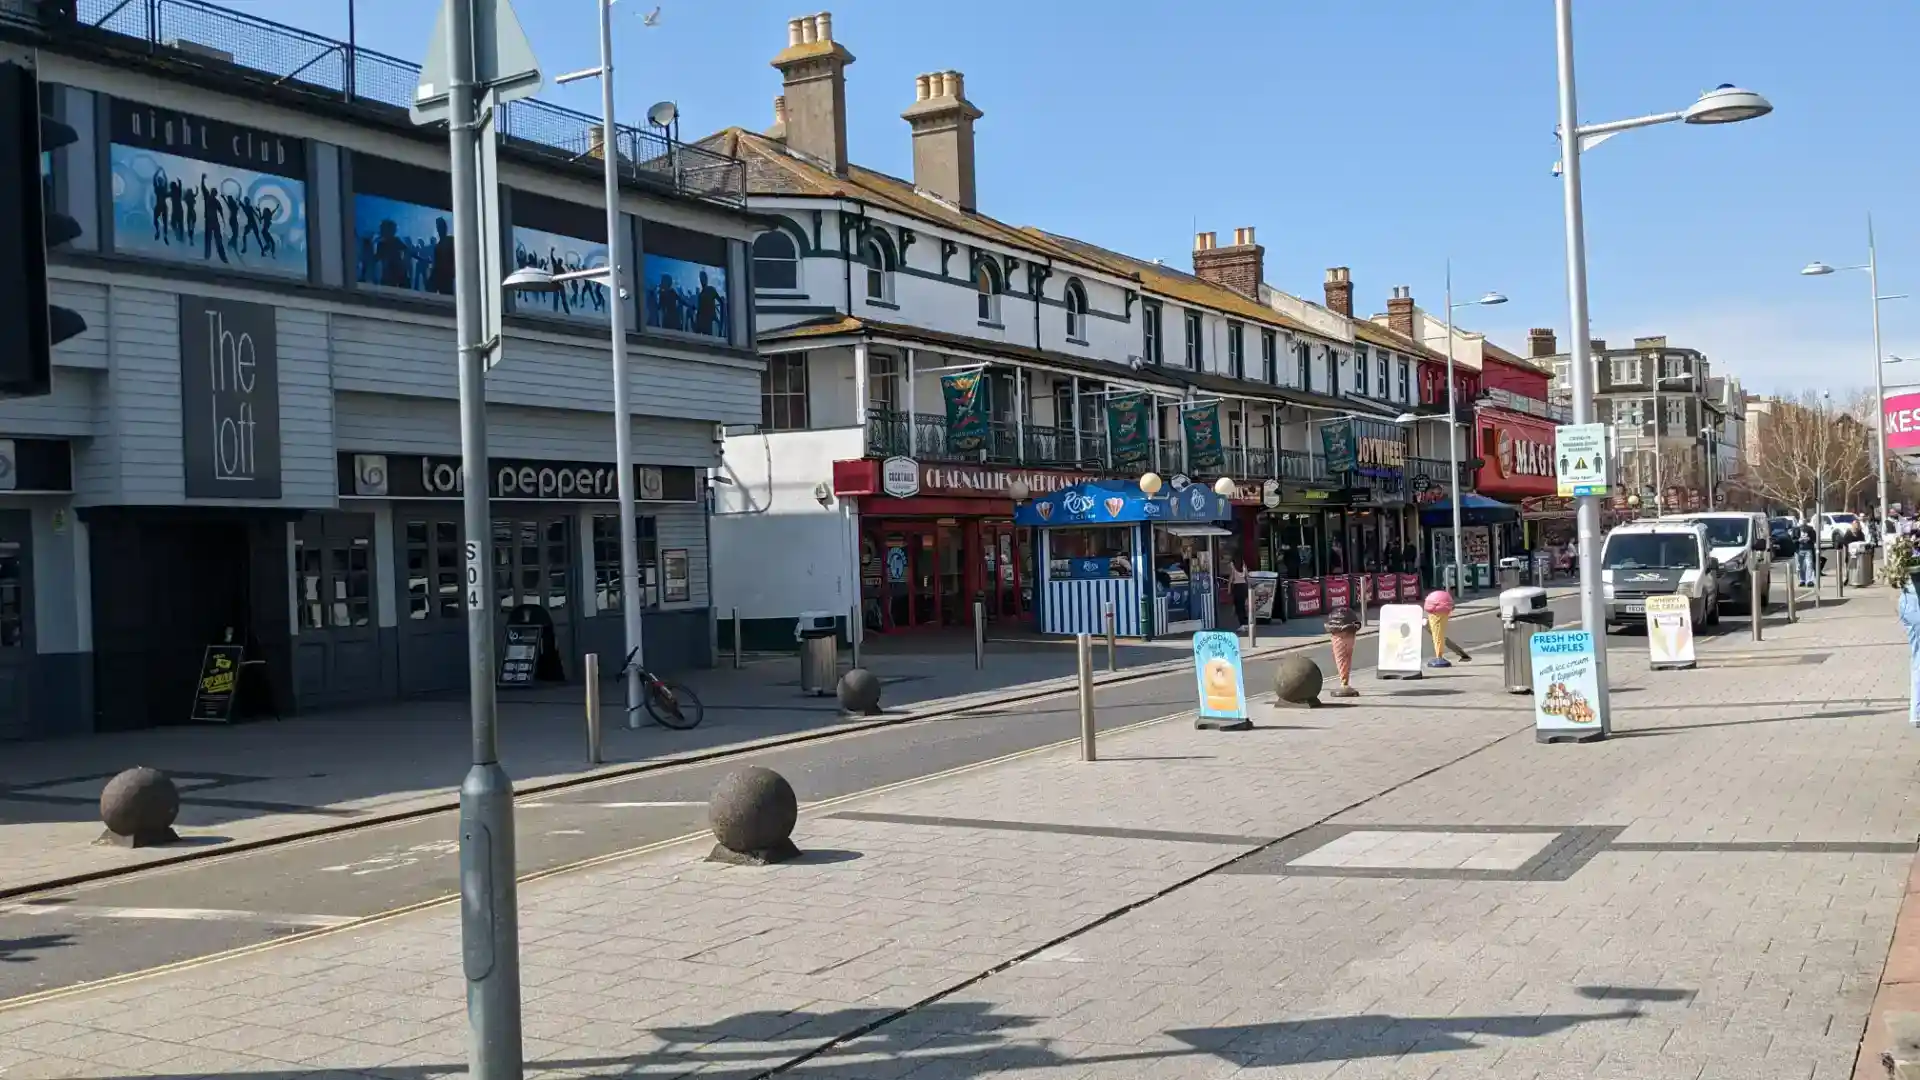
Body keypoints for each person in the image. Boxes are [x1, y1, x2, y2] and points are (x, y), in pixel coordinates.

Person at [1228, 553, 1250, 631]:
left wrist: (1229, 589)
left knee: (1238, 607)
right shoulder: (1243, 566)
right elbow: (1247, 576)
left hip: (1237, 587)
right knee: (1244, 607)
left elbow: (1231, 578)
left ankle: (1242, 625)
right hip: (1244, 587)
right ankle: (1246, 624)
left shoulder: (1233, 566)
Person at [1796, 519, 1819, 586]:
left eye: (1804, 526)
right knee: (1801, 566)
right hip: (1800, 550)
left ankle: (1809, 580)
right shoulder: (1796, 530)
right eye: (1801, 526)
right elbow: (1793, 539)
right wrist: (1798, 540)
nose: (1803, 528)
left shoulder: (1811, 530)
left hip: (1808, 549)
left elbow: (1815, 539)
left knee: (1809, 564)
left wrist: (1809, 539)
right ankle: (1802, 580)